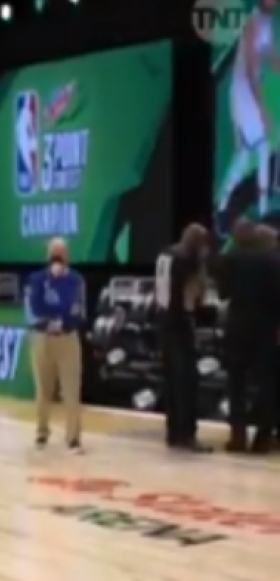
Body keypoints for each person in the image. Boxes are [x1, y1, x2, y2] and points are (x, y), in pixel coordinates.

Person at [216, 221, 280, 453]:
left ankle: (238, 437)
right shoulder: (273, 259)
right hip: (265, 327)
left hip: (237, 325)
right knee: (267, 382)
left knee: (236, 383)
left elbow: (223, 294)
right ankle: (263, 438)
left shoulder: (230, 258)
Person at [215, 0, 279, 231]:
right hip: (244, 92)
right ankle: (224, 207)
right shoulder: (253, 24)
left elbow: (270, 55)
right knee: (248, 152)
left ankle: (260, 209)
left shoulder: (266, 23)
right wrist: (262, 110)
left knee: (258, 150)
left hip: (250, 91)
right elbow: (251, 72)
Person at [154, 223, 213, 453]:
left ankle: (173, 433)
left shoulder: (165, 254)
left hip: (163, 322)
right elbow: (192, 296)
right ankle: (188, 435)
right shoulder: (189, 259)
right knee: (187, 381)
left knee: (171, 380)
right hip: (180, 325)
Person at [24, 238, 85, 453]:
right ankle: (42, 432)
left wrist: (62, 321)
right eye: (53, 252)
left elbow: (77, 309)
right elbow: (35, 307)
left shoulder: (76, 280)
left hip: (67, 339)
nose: (57, 256)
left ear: (67, 255)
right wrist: (52, 319)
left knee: (71, 390)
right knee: (43, 390)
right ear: (47, 255)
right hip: (42, 339)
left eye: (61, 252)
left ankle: (73, 438)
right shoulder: (37, 279)